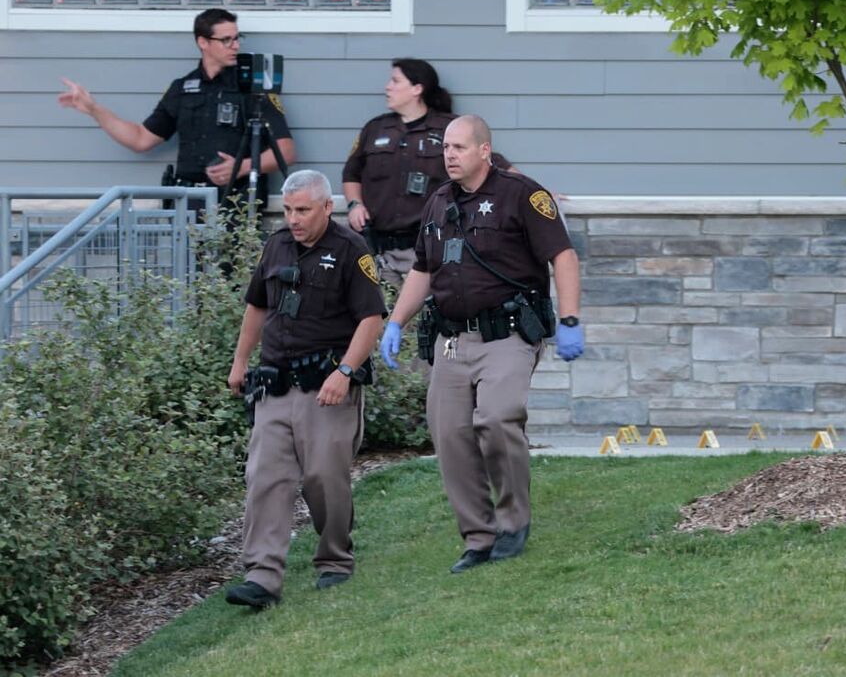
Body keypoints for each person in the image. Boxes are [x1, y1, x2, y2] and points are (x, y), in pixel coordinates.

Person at [379, 115, 585, 574]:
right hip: (452, 340)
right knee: (449, 435)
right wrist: (395, 321)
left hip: (507, 336)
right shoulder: (437, 202)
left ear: (484, 151)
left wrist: (569, 319)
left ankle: (513, 523)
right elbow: (423, 269)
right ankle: (478, 537)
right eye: (446, 147)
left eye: (459, 147)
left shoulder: (524, 195)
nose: (449, 155)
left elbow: (563, 255)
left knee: (496, 418)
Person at [225, 169, 386, 608]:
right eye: (289, 209)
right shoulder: (276, 244)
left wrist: (346, 372)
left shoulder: (351, 250)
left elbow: (372, 318)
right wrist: (240, 361)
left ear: (326, 208)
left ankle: (334, 558)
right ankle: (262, 576)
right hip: (275, 384)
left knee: (323, 477)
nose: (293, 219)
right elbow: (257, 305)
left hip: (326, 387)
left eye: (303, 210)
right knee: (265, 476)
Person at [58, 8, 296, 212]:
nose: (236, 46)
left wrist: (241, 167)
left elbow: (286, 152)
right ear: (203, 42)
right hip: (187, 205)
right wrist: (94, 109)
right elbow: (141, 139)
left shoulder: (252, 88)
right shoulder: (182, 88)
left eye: (237, 38)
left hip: (235, 204)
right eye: (226, 40)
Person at [341, 58, 514, 288]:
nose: (387, 87)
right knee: (385, 316)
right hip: (379, 251)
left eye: (395, 80)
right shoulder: (375, 128)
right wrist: (354, 205)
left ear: (417, 88)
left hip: (430, 251)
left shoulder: (450, 128)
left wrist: (537, 194)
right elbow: (351, 174)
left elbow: (494, 164)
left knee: (427, 320)